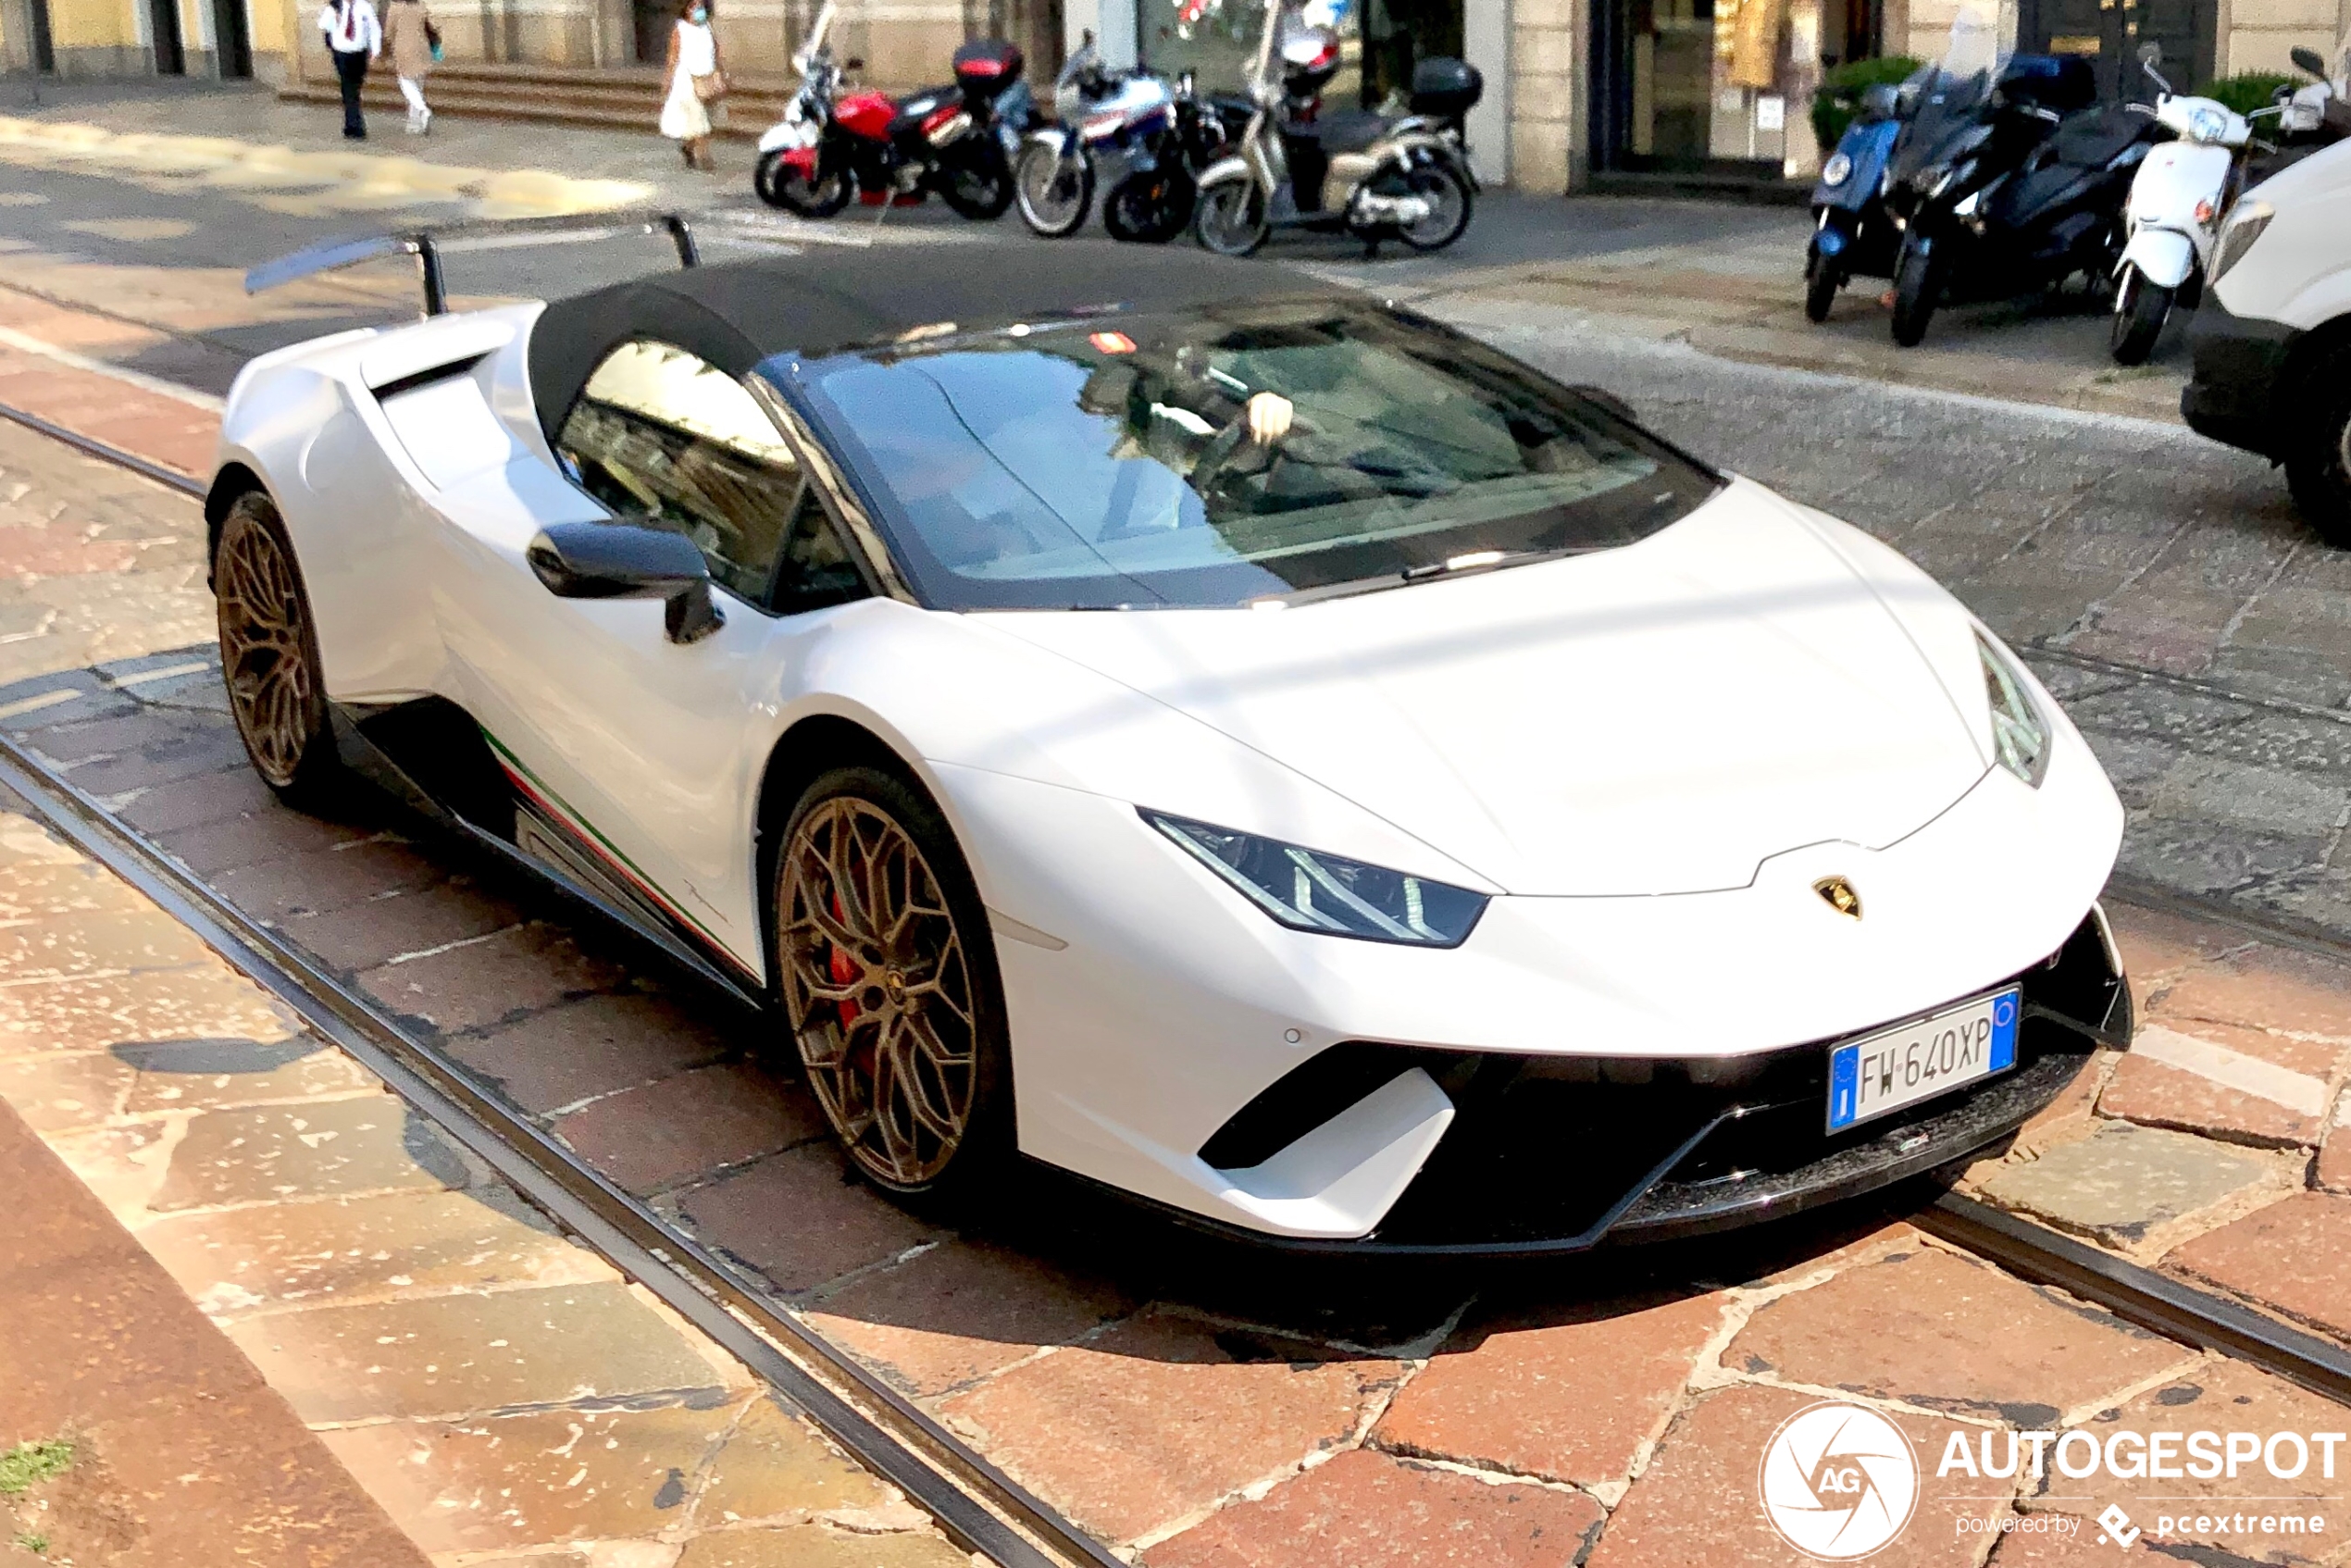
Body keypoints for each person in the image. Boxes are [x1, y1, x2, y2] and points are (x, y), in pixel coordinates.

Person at [658, 0, 726, 172]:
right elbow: (672, 58)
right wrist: (667, 80)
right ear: (686, 9)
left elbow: (716, 52)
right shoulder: (680, 29)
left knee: (706, 120)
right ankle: (703, 156)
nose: (698, 10)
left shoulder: (708, 28)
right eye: (694, 6)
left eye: (701, 6)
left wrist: (721, 73)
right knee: (698, 119)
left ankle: (688, 147)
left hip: (707, 78)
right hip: (686, 80)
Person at [318, 0, 382, 140]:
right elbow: (323, 25)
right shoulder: (335, 7)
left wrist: (375, 51)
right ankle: (355, 126)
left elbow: (374, 29)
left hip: (359, 53)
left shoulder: (364, 7)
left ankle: (351, 124)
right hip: (342, 52)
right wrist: (334, 18)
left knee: (354, 87)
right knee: (349, 87)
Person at [381, 0, 436, 134]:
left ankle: (422, 111)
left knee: (405, 82)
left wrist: (384, 52)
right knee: (418, 85)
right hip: (422, 48)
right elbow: (429, 25)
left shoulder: (395, 8)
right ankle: (415, 122)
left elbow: (389, 33)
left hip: (403, 50)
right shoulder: (420, 5)